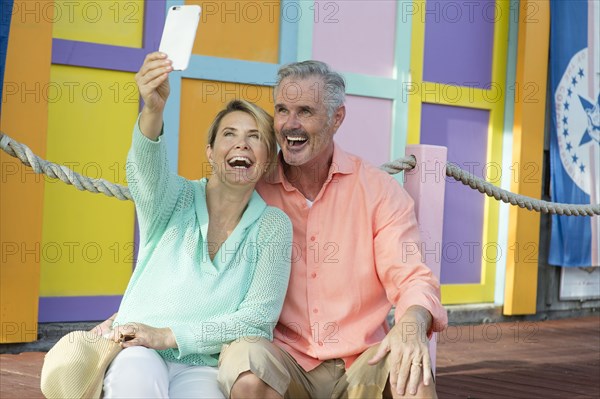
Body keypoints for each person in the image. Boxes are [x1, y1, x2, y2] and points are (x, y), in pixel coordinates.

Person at [217, 61, 448, 399]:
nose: (290, 125)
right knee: (244, 362)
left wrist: (412, 325)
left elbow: (412, 277)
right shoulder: (253, 188)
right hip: (284, 358)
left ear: (336, 118)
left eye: (305, 111)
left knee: (412, 372)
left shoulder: (378, 190)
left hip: (361, 361)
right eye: (282, 110)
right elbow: (189, 223)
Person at [92, 52, 293, 398]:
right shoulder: (173, 198)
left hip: (205, 363)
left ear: (268, 161)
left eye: (255, 136)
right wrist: (153, 110)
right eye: (229, 134)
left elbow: (256, 319)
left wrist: (170, 335)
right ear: (210, 151)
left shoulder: (273, 225)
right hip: (139, 349)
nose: (241, 143)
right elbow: (147, 170)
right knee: (134, 384)